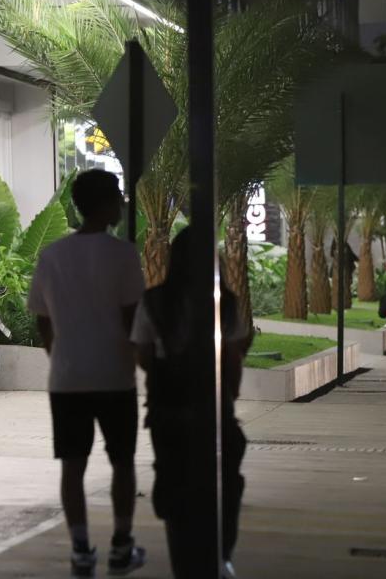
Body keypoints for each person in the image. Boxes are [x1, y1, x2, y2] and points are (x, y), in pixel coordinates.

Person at [27, 169, 146, 578]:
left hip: (68, 377)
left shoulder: (53, 255)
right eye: (117, 197)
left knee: (73, 467)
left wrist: (58, 353)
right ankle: (121, 545)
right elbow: (134, 319)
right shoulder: (123, 255)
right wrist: (134, 359)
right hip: (114, 376)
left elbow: (43, 319)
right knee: (123, 463)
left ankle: (80, 549)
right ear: (107, 203)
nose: (121, 204)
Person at [130, 228, 252, 579]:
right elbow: (234, 354)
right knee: (226, 482)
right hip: (214, 408)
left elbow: (142, 353)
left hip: (166, 407)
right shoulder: (224, 302)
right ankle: (221, 554)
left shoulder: (153, 300)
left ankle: (182, 561)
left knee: (173, 482)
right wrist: (231, 392)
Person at [330, 239, 358, 310]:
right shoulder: (339, 244)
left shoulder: (345, 245)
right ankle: (340, 303)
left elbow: (351, 255)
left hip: (346, 268)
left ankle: (345, 302)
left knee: (346, 283)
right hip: (341, 268)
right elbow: (332, 254)